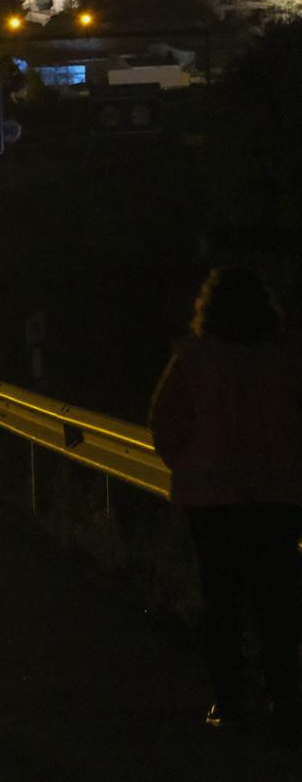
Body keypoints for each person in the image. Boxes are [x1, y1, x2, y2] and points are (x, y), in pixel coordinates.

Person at [147, 267, 302, 743]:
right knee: (277, 601)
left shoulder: (193, 359)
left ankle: (230, 703)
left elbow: (164, 422)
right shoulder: (287, 358)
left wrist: (188, 465)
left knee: (223, 603)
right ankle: (285, 701)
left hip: (211, 501)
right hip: (277, 497)